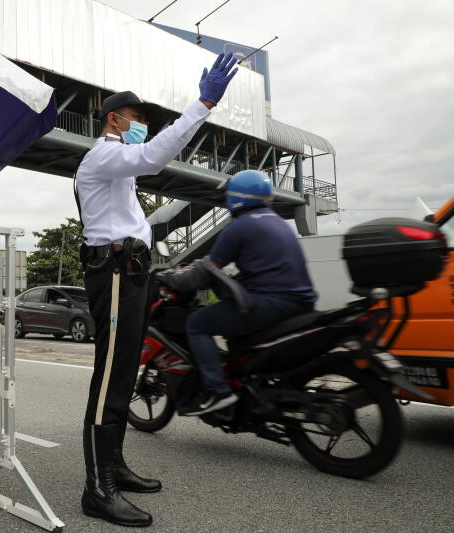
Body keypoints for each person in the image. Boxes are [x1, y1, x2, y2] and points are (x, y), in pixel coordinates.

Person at [75, 52, 239, 527]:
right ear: (115, 119)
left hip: (132, 275)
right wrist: (203, 103)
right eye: (139, 118)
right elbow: (153, 155)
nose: (143, 126)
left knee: (125, 374)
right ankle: (96, 489)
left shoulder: (117, 170)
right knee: (109, 378)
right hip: (113, 275)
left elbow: (131, 215)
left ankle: (115, 467)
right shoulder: (104, 155)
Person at [181, 170, 317, 416]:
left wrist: (174, 277)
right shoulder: (279, 223)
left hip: (270, 303)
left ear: (237, 197)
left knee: (197, 323)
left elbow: (208, 269)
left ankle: (216, 390)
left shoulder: (240, 227)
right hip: (301, 303)